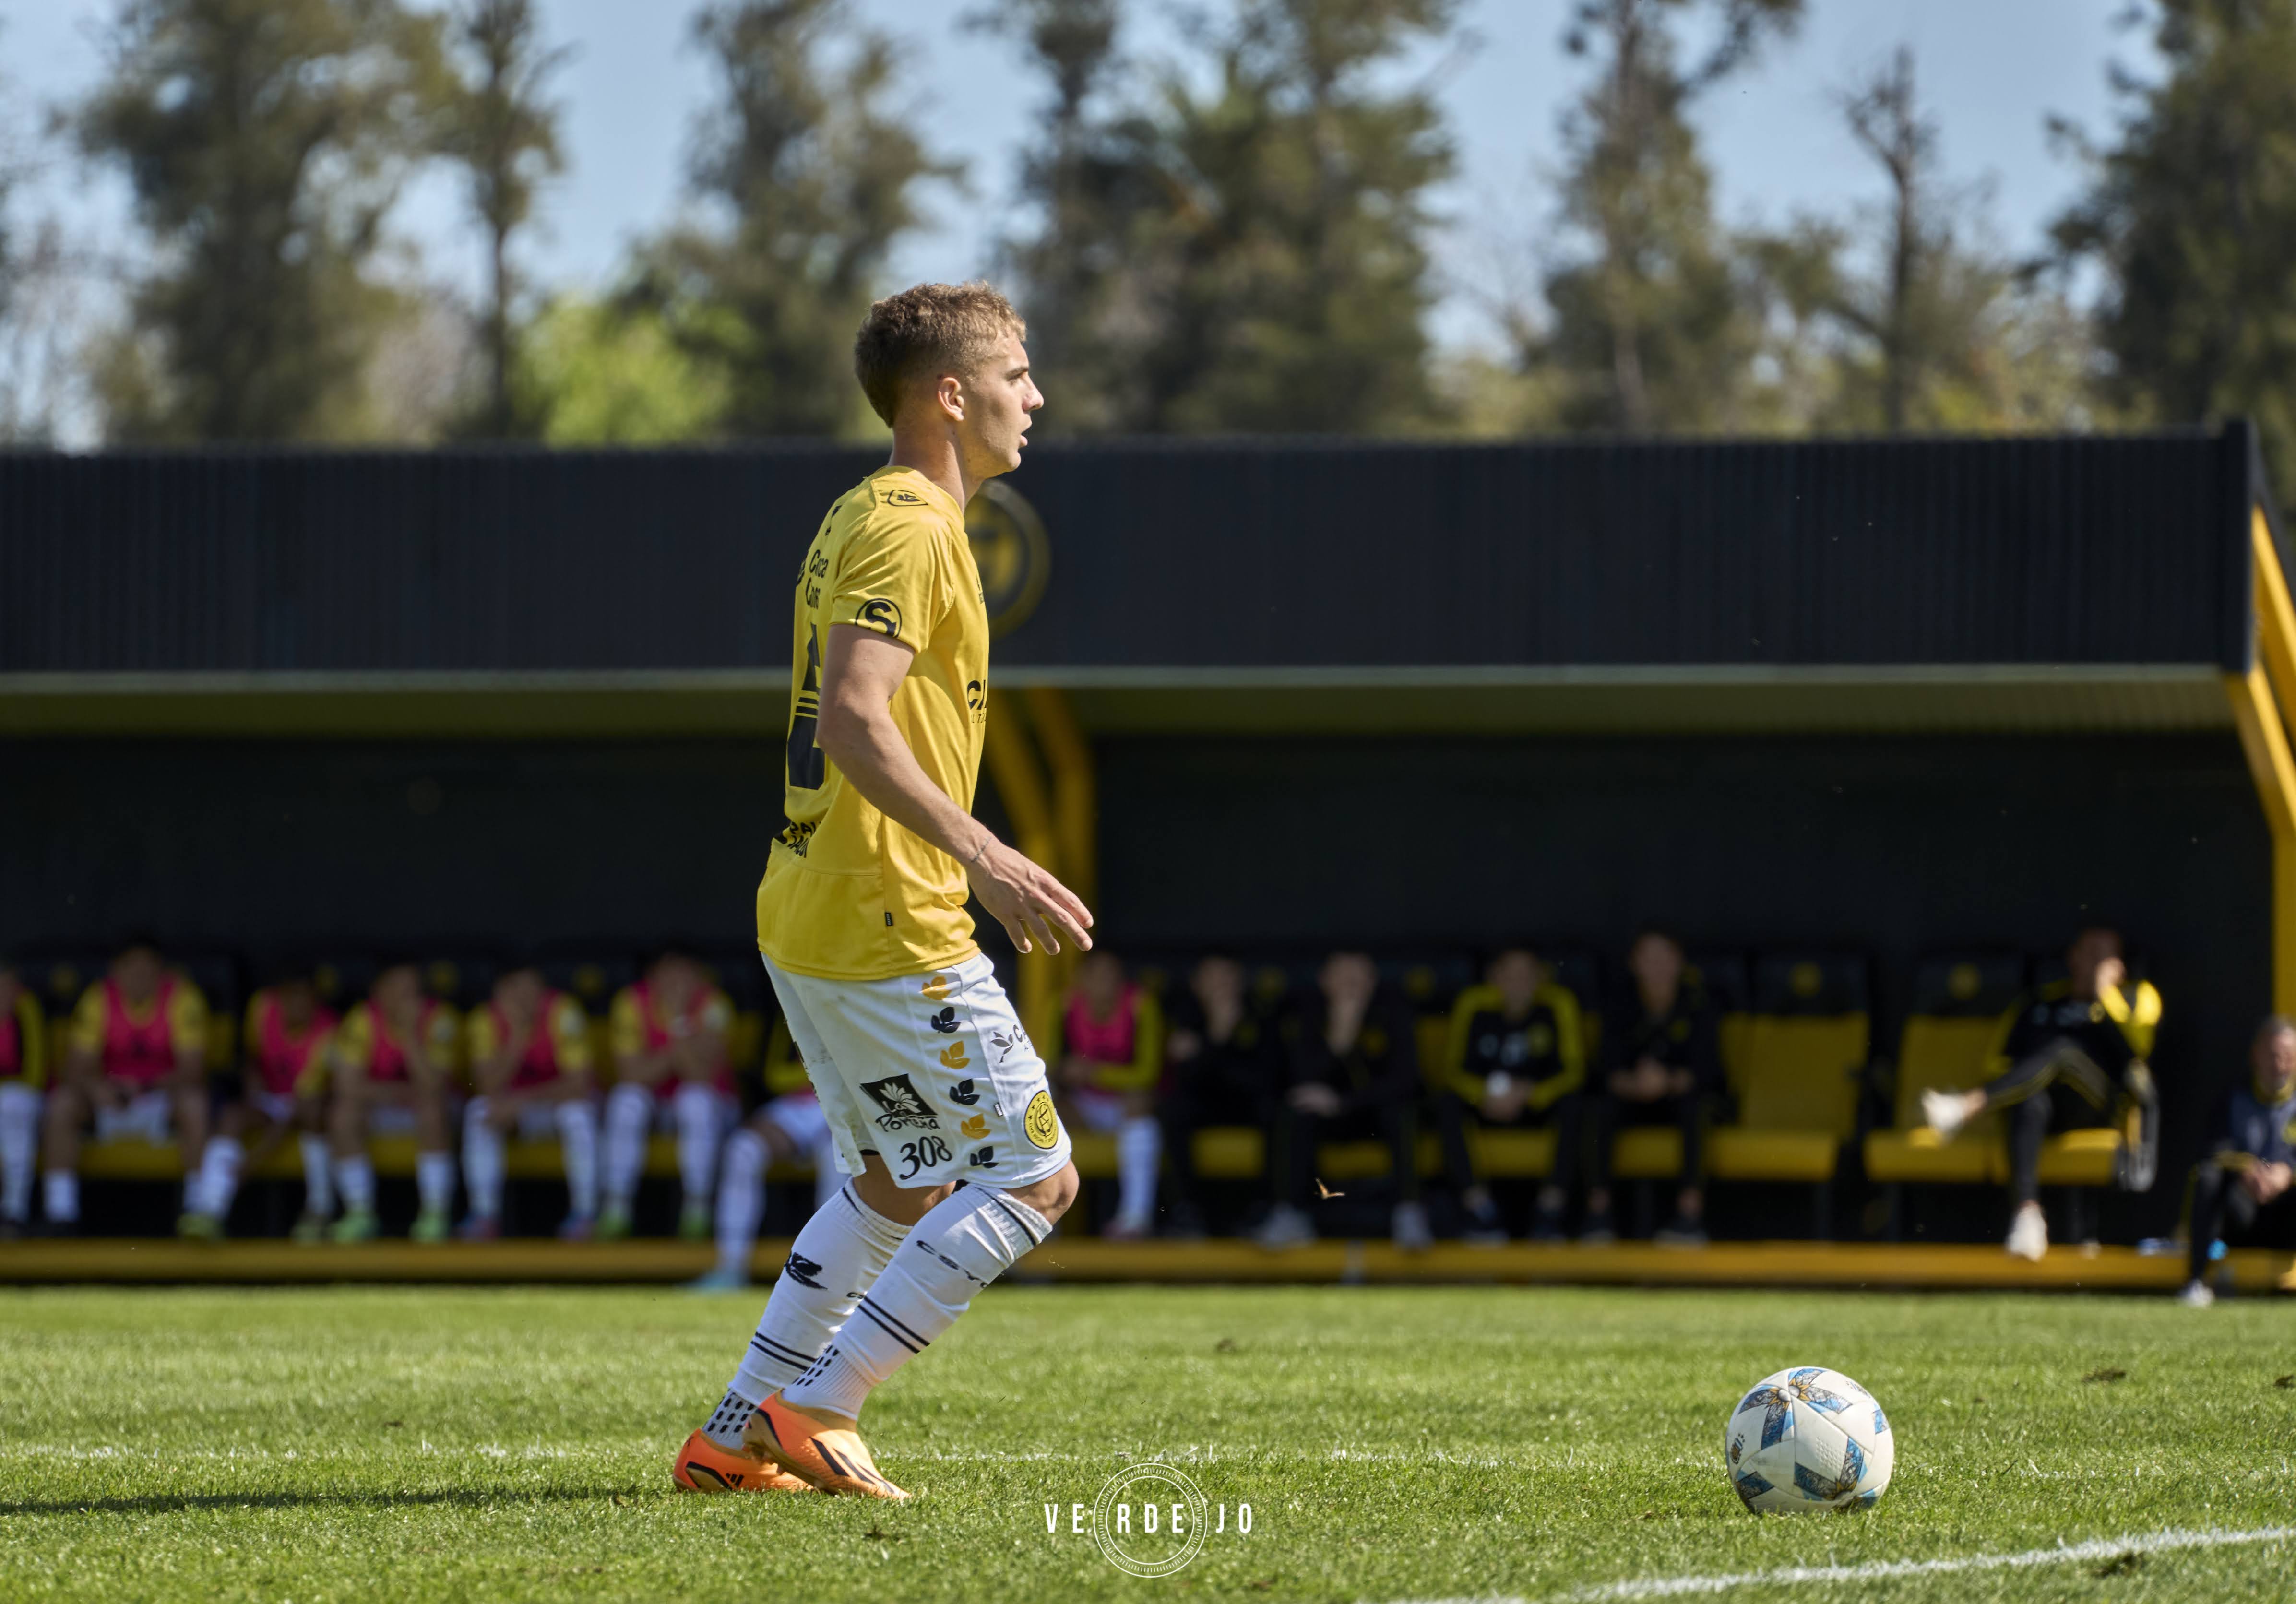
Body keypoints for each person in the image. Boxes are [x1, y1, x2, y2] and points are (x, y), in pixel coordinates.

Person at [674, 281, 1087, 1503]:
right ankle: (822, 1403)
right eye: (1016, 373)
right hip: (884, 912)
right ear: (950, 396)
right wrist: (992, 856)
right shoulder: (911, 524)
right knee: (1034, 1176)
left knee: (903, 1178)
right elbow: (855, 717)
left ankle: (737, 1430)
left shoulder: (863, 510)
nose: (1036, 396)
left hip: (812, 905)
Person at [1922, 926, 2161, 1261]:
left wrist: (2103, 996)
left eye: (2104, 957)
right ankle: (2027, 1215)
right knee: (2029, 1102)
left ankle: (1966, 1105)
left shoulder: (2137, 996)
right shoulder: (2037, 1004)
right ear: (2072, 957)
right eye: (2089, 952)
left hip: (2102, 1103)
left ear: (2119, 967)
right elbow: (1998, 1063)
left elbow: (2137, 1055)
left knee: (2063, 1050)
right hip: (2047, 1105)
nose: (2095, 962)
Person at [1253, 952, 1431, 1254]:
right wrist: (1340, 1038)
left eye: (1359, 977)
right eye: (1342, 976)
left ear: (1373, 982)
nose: (1350, 984)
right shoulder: (1308, 1014)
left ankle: (1409, 1212)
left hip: (1371, 1116)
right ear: (1324, 980)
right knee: (1293, 1112)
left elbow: (1406, 1081)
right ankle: (1291, 1213)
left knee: (1402, 1112)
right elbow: (1301, 1078)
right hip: (1325, 1122)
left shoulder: (1392, 1012)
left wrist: (1345, 1101)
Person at [41, 940, 211, 1236]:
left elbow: (193, 1071)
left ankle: (197, 1211)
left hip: (160, 1101)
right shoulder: (98, 998)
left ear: (161, 971)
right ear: (115, 971)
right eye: (132, 968)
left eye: (148, 968)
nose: (140, 976)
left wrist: (147, 1085)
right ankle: (61, 1214)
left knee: (196, 1104)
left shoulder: (183, 997)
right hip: (109, 1100)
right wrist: (99, 1088)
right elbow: (75, 1069)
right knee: (62, 1103)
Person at [1436, 948, 1588, 1244]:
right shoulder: (1475, 1004)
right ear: (1495, 977)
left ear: (1540, 977)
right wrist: (1484, 1096)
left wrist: (1532, 1093)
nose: (1518, 982)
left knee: (1577, 1104)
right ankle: (1478, 1210)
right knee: (1447, 1103)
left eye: (1527, 975)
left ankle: (1550, 1213)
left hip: (1536, 1107)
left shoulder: (1557, 1004)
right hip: (1487, 1108)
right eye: (1510, 974)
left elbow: (1573, 1072)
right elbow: (1453, 1072)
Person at [687, 1013, 845, 1292]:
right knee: (742, 1150)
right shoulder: (789, 1009)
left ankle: (827, 1271)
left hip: (848, 1107)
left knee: (837, 1154)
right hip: (796, 1106)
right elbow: (773, 1075)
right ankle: (730, 1267)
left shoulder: (859, 1000)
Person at [182, 962, 338, 1241]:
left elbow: (297, 1111)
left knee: (315, 1114)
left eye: (306, 997)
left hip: (305, 1108)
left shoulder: (328, 1032)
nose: (298, 1004)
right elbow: (253, 1058)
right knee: (232, 1116)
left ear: (316, 1000)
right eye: (292, 996)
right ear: (280, 995)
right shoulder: (262, 1007)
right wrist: (253, 1084)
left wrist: (252, 1162)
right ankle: (208, 1211)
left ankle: (319, 1209)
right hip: (269, 1099)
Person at [1585, 930, 1721, 1248]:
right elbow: (1604, 1069)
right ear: (1633, 963)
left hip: (1678, 1100)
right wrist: (1636, 1083)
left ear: (1679, 961)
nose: (1657, 965)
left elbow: (1708, 1072)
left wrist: (1667, 1081)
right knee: (1597, 1108)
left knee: (1697, 1107)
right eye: (1648, 957)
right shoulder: (1618, 1001)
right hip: (1631, 1100)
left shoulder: (1699, 1002)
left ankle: (1689, 1217)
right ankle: (1598, 1216)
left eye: (1665, 956)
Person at [601, 949, 736, 1242]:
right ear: (653, 975)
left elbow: (701, 1076)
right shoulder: (631, 1002)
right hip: (655, 1103)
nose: (678, 981)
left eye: (685, 972)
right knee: (626, 1101)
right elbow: (632, 1077)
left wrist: (676, 1019)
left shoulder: (713, 1004)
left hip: (713, 1107)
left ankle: (697, 1210)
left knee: (695, 1100)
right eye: (670, 972)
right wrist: (681, 1043)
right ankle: (617, 1208)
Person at [459, 963, 600, 1241]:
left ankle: (586, 1215)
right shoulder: (486, 1019)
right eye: (517, 989)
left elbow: (580, 1084)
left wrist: (522, 1101)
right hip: (514, 1111)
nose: (526, 997)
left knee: (579, 1116)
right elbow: (485, 1087)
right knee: (478, 1112)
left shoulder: (563, 1013)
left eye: (533, 988)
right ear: (501, 992)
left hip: (554, 1106)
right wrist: (517, 1039)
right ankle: (485, 1215)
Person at [330, 960, 463, 1243]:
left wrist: (411, 1036)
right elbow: (348, 1086)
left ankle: (435, 1213)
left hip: (432, 1110)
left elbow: (434, 1086)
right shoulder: (362, 1020)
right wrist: (398, 1094)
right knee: (343, 1115)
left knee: (432, 1109)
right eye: (399, 990)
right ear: (379, 991)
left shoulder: (440, 1019)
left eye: (413, 991)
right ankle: (360, 1213)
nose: (407, 998)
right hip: (388, 1106)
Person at [1157, 955, 1281, 1240]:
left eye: (1227, 978)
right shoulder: (1185, 1016)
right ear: (1197, 984)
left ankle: (1267, 1210)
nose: (1220, 987)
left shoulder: (1260, 1017)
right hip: (1202, 1106)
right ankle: (1185, 1211)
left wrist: (1208, 1048)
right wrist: (1217, 1037)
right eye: (1211, 979)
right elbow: (1186, 1079)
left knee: (1276, 1112)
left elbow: (1264, 1078)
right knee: (1173, 1111)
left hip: (1248, 1107)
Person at [2179, 1016, 2296, 1307]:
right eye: (2272, 1055)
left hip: (2288, 1218)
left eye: (2288, 1056)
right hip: (2242, 1215)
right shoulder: (2233, 1099)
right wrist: (2246, 1168)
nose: (2279, 1064)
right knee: (2207, 1177)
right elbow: (2212, 1150)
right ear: (2256, 1055)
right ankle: (2196, 1281)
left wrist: (2288, 1173)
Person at [1051, 951, 1165, 1239]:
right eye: (1097, 975)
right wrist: (1067, 1072)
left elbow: (1149, 1072)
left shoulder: (1141, 1005)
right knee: (1041, 1116)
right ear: (1082, 979)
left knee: (1143, 1118)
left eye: (1112, 976)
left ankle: (1134, 1220)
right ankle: (1044, 1222)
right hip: (1082, 1106)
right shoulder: (1063, 1006)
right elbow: (1044, 1066)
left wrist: (1094, 1073)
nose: (1105, 983)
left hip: (1127, 1104)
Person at [0, 962, 47, 1237]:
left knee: (13, 1107)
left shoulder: (26, 1009)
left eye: (8, 987)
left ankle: (12, 1212)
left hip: (22, 1095)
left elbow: (35, 1073)